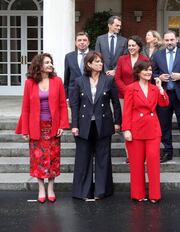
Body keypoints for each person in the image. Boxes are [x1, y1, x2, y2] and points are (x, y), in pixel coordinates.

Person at [16, 53, 69, 203]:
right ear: (39, 65)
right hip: (36, 127)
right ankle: (41, 188)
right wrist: (25, 129)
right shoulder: (29, 83)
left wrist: (62, 125)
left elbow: (62, 105)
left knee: (53, 159)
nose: (50, 64)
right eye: (47, 62)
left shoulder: (57, 81)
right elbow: (25, 108)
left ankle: (51, 188)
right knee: (37, 159)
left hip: (52, 126)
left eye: (51, 62)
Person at [70, 51, 122, 200]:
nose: (100, 63)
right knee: (83, 158)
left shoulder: (108, 80)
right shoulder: (79, 81)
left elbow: (116, 103)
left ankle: (101, 191)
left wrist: (117, 122)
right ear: (89, 64)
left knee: (103, 158)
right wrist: (74, 125)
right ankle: (83, 191)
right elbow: (74, 105)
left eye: (101, 61)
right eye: (97, 61)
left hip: (104, 124)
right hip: (83, 124)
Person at [122, 61, 169, 204]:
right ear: (138, 72)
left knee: (153, 162)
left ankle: (155, 194)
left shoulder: (155, 88)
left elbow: (164, 104)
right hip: (136, 129)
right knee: (136, 163)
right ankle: (138, 194)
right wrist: (126, 129)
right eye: (145, 70)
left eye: (150, 70)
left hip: (153, 129)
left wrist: (161, 89)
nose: (148, 72)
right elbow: (127, 110)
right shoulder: (131, 88)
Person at [152, 30, 180, 164]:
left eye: (171, 40)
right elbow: (152, 73)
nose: (169, 42)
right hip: (164, 95)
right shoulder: (157, 55)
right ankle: (168, 151)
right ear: (163, 41)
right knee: (164, 125)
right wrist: (158, 77)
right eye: (166, 40)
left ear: (176, 40)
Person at [115, 35, 149, 164]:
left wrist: (137, 92)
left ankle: (142, 153)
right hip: (124, 97)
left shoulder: (144, 59)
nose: (131, 48)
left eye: (133, 45)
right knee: (127, 124)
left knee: (141, 123)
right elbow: (117, 78)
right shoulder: (122, 59)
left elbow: (147, 77)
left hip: (141, 97)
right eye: (129, 45)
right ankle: (129, 154)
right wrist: (128, 92)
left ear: (139, 46)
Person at [64, 31, 90, 100]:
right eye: (79, 40)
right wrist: (66, 97)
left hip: (91, 93)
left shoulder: (94, 55)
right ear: (75, 43)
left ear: (88, 42)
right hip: (73, 94)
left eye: (84, 40)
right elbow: (66, 77)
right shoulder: (69, 56)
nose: (82, 42)